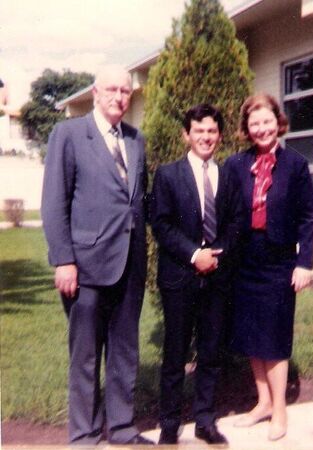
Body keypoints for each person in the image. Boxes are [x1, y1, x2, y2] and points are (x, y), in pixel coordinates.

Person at [41, 65, 153, 446]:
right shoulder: (69, 135)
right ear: (95, 92)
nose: (120, 97)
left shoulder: (136, 139)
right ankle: (85, 435)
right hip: (85, 267)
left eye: (126, 91)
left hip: (130, 265)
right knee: (85, 357)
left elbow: (136, 201)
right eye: (112, 90)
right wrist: (63, 260)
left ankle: (122, 428)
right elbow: (55, 201)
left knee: (124, 353)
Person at [150, 104, 245, 446]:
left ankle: (205, 420)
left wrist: (218, 253)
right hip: (180, 277)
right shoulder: (167, 174)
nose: (205, 137)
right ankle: (170, 425)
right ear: (186, 135)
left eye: (212, 131)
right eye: (199, 131)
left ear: (219, 135)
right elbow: (160, 224)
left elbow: (237, 221)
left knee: (210, 353)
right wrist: (194, 255)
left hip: (217, 278)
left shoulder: (229, 175)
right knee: (175, 354)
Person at [225, 93, 313, 441]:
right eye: (254, 123)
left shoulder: (296, 164)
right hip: (245, 259)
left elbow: (308, 217)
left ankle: (279, 410)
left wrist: (304, 263)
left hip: (279, 259)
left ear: (278, 123)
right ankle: (262, 402)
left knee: (275, 337)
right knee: (251, 334)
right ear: (247, 129)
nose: (261, 129)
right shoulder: (235, 165)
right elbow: (228, 214)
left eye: (267, 122)